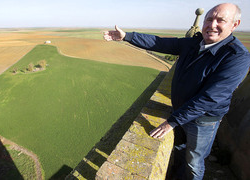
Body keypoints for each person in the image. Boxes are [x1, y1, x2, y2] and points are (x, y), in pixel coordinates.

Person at [103, 3, 250, 180]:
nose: (212, 25)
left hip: (202, 121)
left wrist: (171, 122)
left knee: (194, 161)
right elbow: (160, 43)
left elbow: (210, 98)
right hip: (180, 110)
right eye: (209, 19)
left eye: (221, 20)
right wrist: (128, 36)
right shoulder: (195, 43)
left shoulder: (236, 57)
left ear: (234, 25)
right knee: (180, 149)